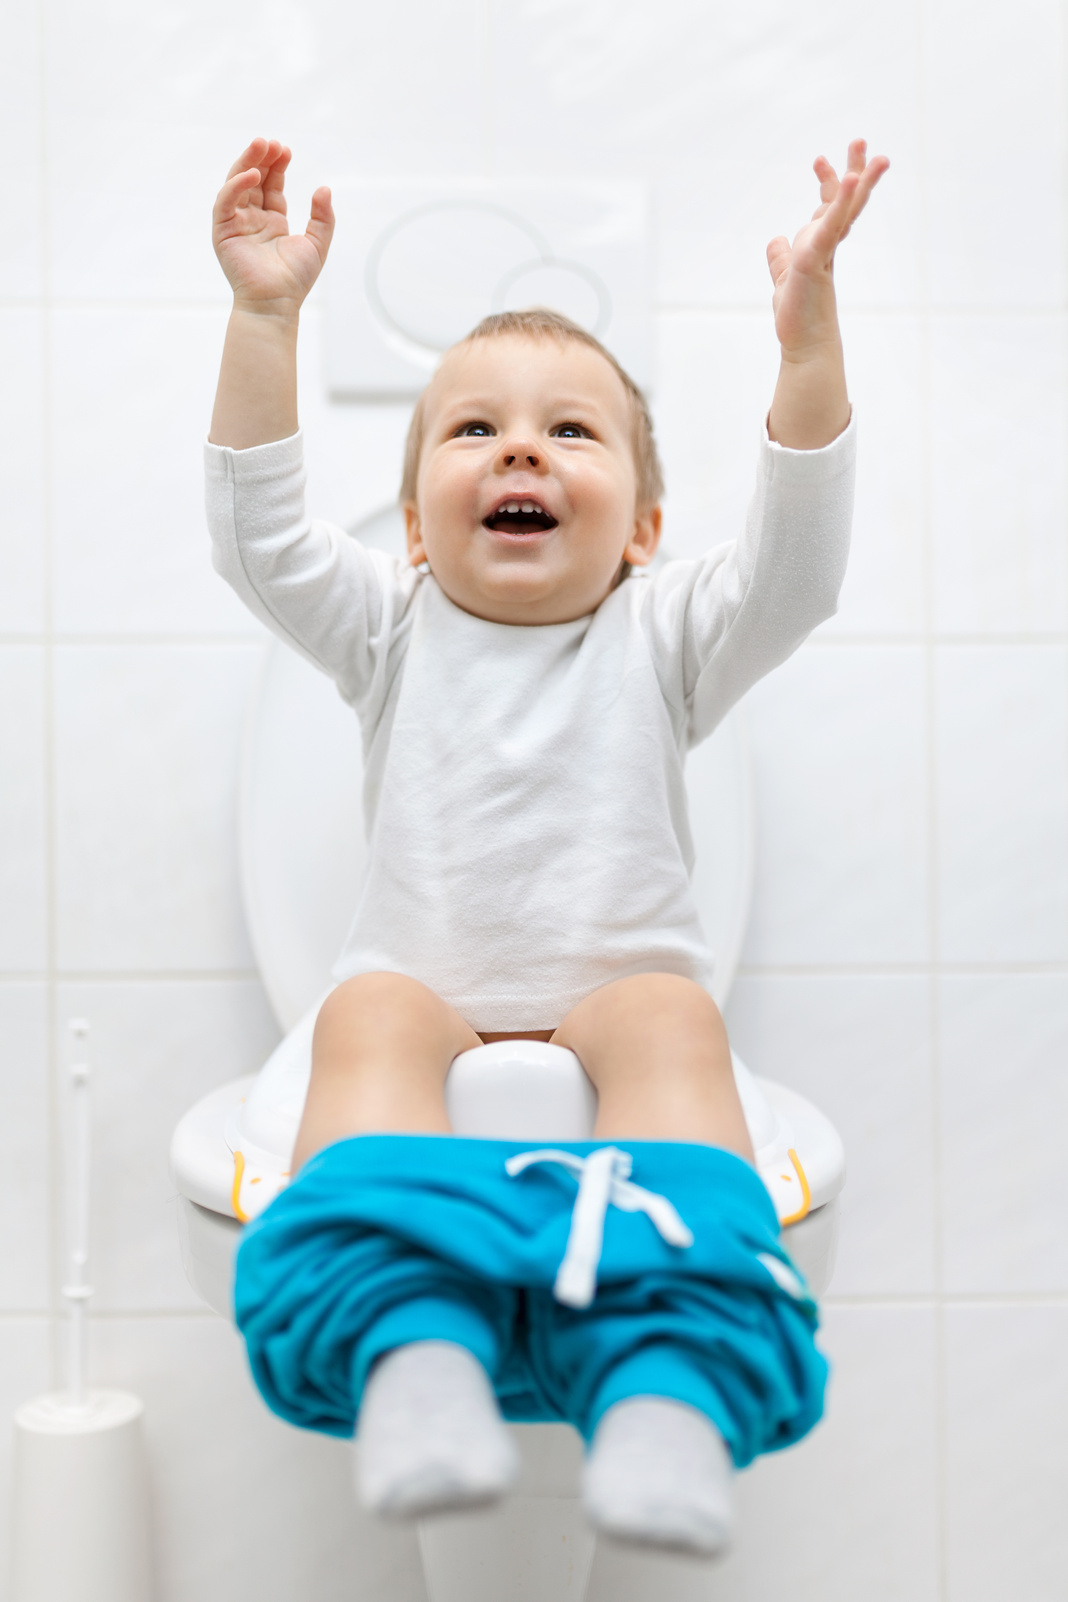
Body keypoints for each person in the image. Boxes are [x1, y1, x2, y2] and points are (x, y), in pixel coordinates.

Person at [206, 135, 887, 1555]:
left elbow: (799, 565)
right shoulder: (386, 626)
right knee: (368, 1011)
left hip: (612, 988)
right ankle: (413, 1349)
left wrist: (807, 350)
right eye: (474, 430)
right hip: (427, 981)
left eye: (572, 430)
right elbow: (264, 542)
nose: (521, 445)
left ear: (643, 526)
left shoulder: (669, 634)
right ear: (410, 524)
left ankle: (666, 1383)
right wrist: (265, 318)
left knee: (669, 1015)